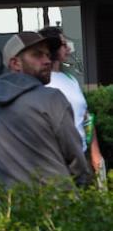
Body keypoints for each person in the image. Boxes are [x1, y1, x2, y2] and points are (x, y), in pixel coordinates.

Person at [0, 32, 93, 191]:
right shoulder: (52, 99)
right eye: (37, 55)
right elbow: (76, 161)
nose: (47, 60)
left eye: (47, 55)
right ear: (15, 63)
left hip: (7, 211)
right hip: (56, 209)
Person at [41, 26, 105, 181]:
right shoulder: (41, 82)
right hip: (54, 161)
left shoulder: (70, 79)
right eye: (63, 44)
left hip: (81, 157)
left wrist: (95, 152)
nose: (68, 48)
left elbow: (85, 116)